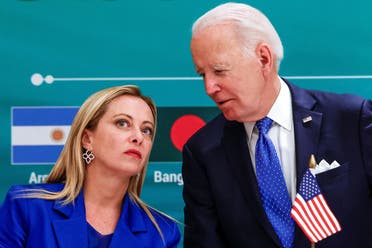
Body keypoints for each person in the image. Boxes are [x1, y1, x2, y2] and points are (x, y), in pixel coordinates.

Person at [182, 2, 372, 248]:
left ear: (263, 58)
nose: (209, 88)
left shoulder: (352, 119)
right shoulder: (203, 151)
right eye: (202, 74)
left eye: (219, 70)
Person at [0, 85, 180, 247]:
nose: (138, 137)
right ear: (87, 139)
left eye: (146, 130)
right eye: (122, 123)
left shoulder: (163, 233)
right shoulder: (26, 207)